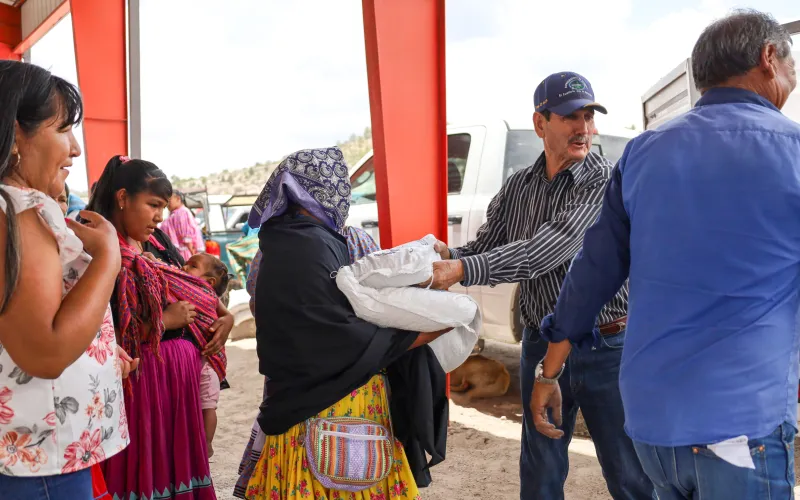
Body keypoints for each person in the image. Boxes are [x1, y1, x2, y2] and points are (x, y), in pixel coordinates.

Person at [534, 10, 799, 500]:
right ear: (768, 58)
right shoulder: (792, 149)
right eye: (792, 64)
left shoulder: (642, 153)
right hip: (741, 423)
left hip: (652, 422)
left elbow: (591, 274)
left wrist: (548, 372)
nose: (793, 76)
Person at [426, 73, 652, 499]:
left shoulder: (603, 182)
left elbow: (546, 251)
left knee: (629, 474)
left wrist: (459, 270)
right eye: (570, 117)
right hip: (540, 345)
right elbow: (487, 246)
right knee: (540, 472)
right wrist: (448, 256)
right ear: (540, 123)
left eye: (588, 117)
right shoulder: (518, 186)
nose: (583, 128)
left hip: (607, 346)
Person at [241, 146, 447, 500]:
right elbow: (349, 331)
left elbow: (269, 313)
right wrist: (431, 325)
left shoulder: (272, 246)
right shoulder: (341, 242)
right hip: (347, 404)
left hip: (289, 400)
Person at [0, 60, 136, 499]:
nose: (75, 148)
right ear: (15, 133)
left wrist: (95, 345)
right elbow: (45, 353)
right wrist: (108, 257)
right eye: (63, 129)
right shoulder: (19, 212)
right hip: (39, 463)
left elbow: (21, 323)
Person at [88, 155, 234, 500]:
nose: (159, 216)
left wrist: (226, 318)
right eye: (153, 205)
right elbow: (95, 331)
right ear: (122, 198)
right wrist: (165, 322)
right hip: (141, 386)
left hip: (177, 383)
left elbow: (197, 289)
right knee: (144, 476)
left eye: (163, 208)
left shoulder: (157, 244)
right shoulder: (101, 249)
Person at [234, 224, 380, 499]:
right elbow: (380, 299)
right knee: (351, 456)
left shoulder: (275, 240)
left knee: (299, 449)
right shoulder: (355, 240)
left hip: (291, 369)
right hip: (352, 367)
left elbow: (257, 302)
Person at [182, 252, 231, 458]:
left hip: (208, 362)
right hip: (196, 358)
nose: (184, 267)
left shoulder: (204, 294)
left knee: (208, 406)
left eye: (192, 266)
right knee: (198, 405)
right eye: (186, 263)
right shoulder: (183, 285)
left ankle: (207, 443)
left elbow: (225, 316)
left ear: (209, 282)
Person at [161, 189, 204, 261]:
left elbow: (186, 236)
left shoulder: (182, 212)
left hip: (183, 254)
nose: (167, 204)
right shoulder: (176, 213)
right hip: (178, 253)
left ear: (178, 199)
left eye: (169, 200)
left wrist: (193, 254)